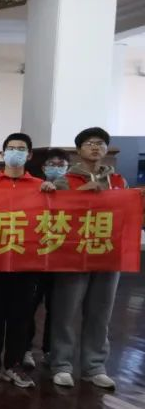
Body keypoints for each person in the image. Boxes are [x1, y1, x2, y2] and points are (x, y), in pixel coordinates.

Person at [50, 127, 142, 389]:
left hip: (107, 255)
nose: (95, 147)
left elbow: (126, 215)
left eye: (100, 143)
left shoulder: (119, 182)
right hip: (73, 256)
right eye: (89, 143)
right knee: (65, 313)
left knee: (100, 313)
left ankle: (94, 366)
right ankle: (62, 364)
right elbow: (53, 214)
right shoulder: (65, 181)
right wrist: (80, 193)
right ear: (79, 150)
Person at [0, 133, 55, 388]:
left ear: (29, 155)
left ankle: (14, 364)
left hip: (26, 262)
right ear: (3, 153)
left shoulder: (40, 186)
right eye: (11, 148)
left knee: (21, 316)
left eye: (21, 149)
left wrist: (53, 195)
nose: (16, 152)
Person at [26, 148, 73, 366]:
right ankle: (26, 348)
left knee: (59, 308)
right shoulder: (34, 188)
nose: (56, 168)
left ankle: (50, 350)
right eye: (51, 164)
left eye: (61, 164)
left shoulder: (75, 192)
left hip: (62, 260)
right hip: (36, 259)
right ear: (43, 168)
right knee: (30, 306)